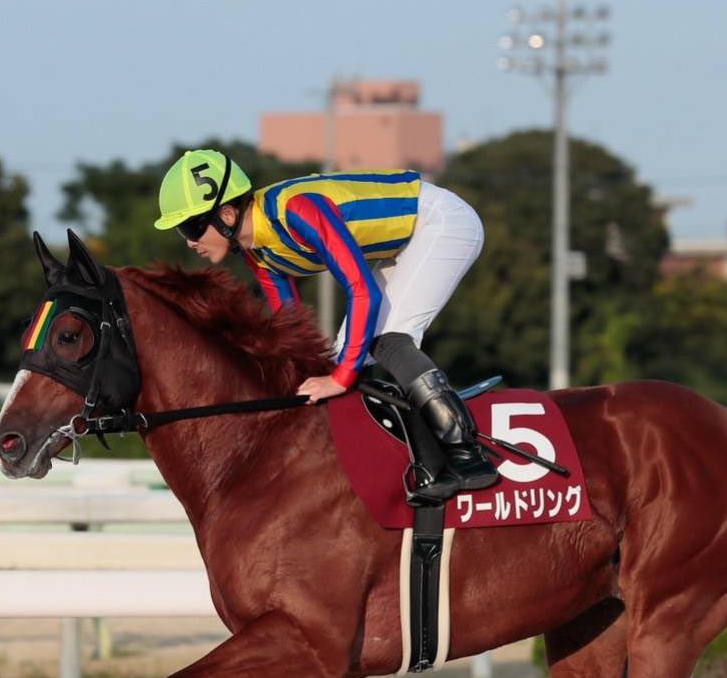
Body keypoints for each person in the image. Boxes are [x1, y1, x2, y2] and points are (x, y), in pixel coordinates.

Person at [153, 149, 499, 504]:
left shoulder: (297, 210)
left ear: (227, 213)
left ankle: (466, 456)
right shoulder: (260, 253)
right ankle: (411, 459)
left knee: (388, 340)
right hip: (405, 240)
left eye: (193, 226)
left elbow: (362, 290)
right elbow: (292, 329)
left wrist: (340, 379)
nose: (190, 241)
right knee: (345, 355)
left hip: (441, 221)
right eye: (183, 230)